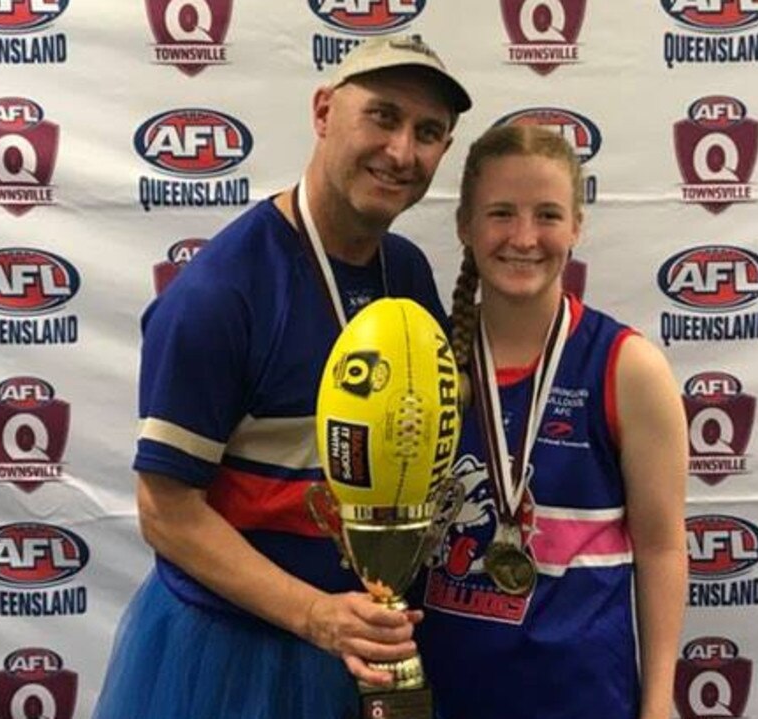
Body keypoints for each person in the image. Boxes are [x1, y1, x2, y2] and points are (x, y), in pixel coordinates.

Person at [93, 35, 471, 719]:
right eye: (382, 116)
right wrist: (317, 616)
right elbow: (166, 510)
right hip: (235, 657)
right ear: (324, 112)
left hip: (367, 643)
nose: (401, 151)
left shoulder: (408, 274)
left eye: (428, 132)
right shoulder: (222, 291)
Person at [416, 125, 688, 719]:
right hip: (444, 697)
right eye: (500, 214)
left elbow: (663, 546)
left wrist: (659, 703)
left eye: (547, 215)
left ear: (576, 227)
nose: (524, 237)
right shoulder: (425, 364)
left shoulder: (625, 366)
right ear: (465, 225)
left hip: (583, 698)